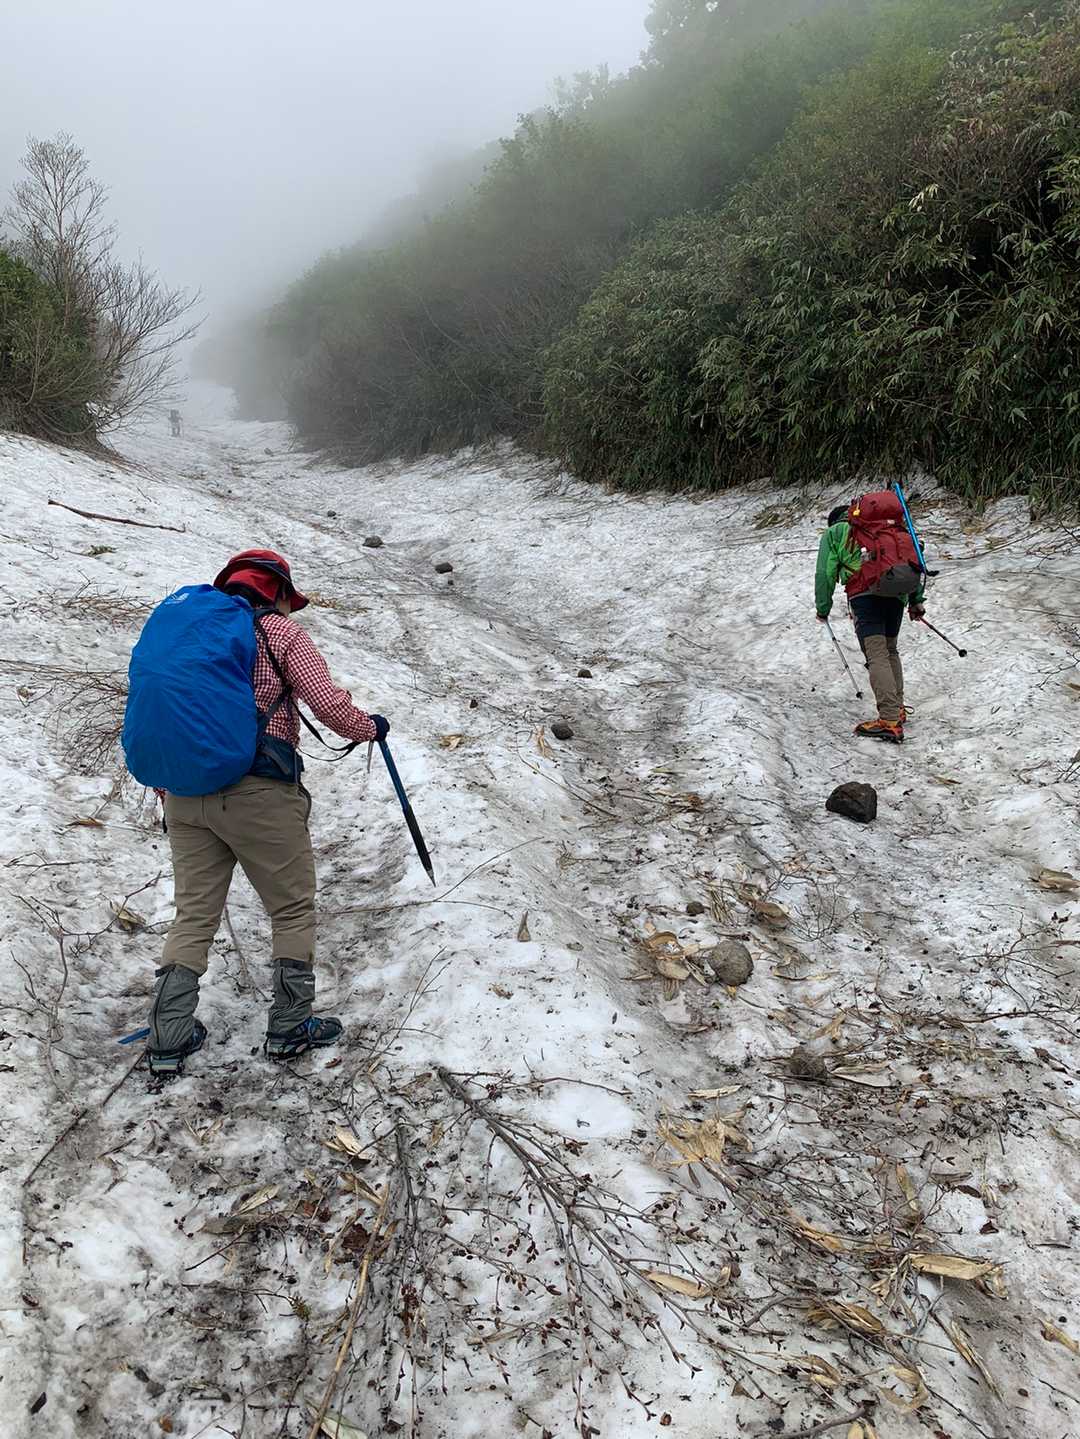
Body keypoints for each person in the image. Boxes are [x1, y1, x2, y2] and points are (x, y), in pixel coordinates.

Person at [146, 549, 387, 1074]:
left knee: (193, 915)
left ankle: (168, 1037)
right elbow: (328, 705)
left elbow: (164, 715)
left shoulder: (186, 635)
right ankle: (290, 1026)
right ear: (276, 591)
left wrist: (169, 786)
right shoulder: (279, 632)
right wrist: (371, 727)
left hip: (185, 794)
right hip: (258, 791)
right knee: (291, 908)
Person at [815, 504, 925, 744]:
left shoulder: (835, 533)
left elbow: (824, 573)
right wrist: (916, 600)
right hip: (896, 593)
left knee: (877, 655)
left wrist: (823, 608)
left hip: (865, 596)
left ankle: (889, 720)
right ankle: (897, 709)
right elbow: (912, 560)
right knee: (890, 650)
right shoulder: (889, 529)